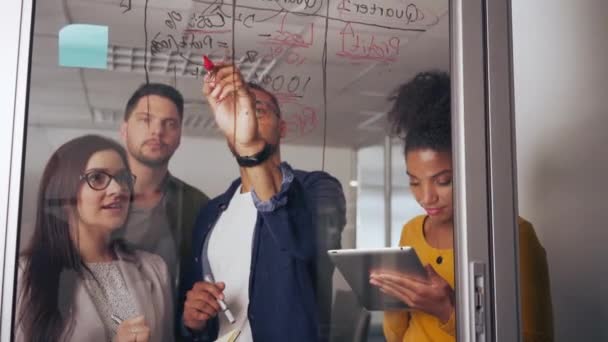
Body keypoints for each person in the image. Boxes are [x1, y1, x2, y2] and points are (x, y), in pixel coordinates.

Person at [369, 71, 554, 342]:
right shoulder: (411, 232)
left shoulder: (514, 236)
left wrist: (448, 311)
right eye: (415, 182)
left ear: (470, 170)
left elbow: (533, 338)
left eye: (443, 181)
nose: (426, 197)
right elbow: (395, 335)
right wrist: (394, 299)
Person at [178, 65, 345, 342]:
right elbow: (197, 317)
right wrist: (191, 321)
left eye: (257, 110)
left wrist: (249, 145)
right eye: (238, 111)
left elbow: (304, 245)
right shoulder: (211, 213)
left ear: (282, 128)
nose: (245, 118)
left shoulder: (318, 188)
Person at [14, 135, 174, 342]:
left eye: (123, 178)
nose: (118, 189)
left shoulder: (154, 269)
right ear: (64, 194)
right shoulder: (22, 275)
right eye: (97, 178)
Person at [115, 83, 209, 288]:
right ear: (124, 130)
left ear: (179, 137)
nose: (157, 131)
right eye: (145, 120)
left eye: (170, 124)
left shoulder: (198, 205)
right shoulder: (92, 197)